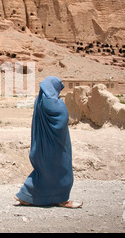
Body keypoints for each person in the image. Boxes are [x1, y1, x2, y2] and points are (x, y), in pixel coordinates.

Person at [15, 76, 82, 208]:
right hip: (56, 146)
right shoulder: (52, 101)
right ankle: (62, 199)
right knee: (62, 171)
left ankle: (26, 196)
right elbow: (62, 117)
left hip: (41, 145)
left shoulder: (39, 100)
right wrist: (62, 103)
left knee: (42, 172)